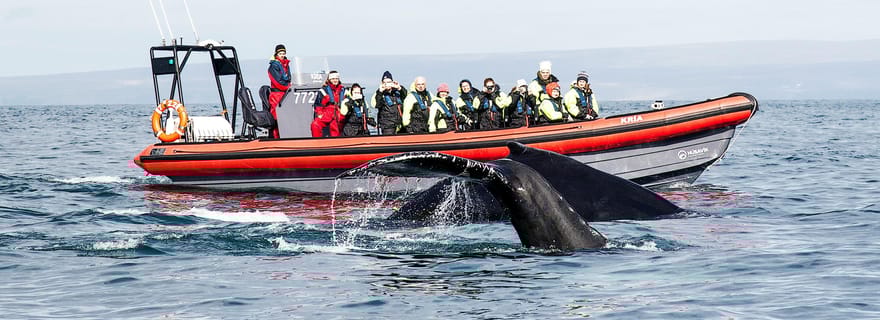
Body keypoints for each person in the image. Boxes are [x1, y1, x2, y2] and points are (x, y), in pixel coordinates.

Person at [371, 71, 408, 135]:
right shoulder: (379, 94)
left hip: (400, 124)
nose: (386, 84)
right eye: (384, 82)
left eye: (388, 82)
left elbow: (406, 97)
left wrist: (400, 88)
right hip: (387, 126)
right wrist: (380, 92)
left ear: (392, 82)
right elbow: (377, 105)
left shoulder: (397, 92)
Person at [310, 70, 345, 137]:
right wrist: (320, 114)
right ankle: (317, 143)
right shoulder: (323, 90)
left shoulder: (343, 90)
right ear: (329, 79)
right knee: (315, 125)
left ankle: (336, 144)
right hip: (327, 113)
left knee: (336, 131)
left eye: (336, 78)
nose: (335, 80)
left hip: (338, 114)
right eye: (333, 79)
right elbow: (318, 104)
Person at [267, 44, 291, 138]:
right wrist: (288, 87)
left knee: (285, 118)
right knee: (277, 117)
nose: (282, 55)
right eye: (280, 53)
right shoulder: (274, 66)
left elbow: (288, 78)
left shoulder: (286, 64)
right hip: (276, 95)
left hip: (286, 94)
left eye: (283, 53)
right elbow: (278, 82)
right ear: (276, 54)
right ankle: (276, 138)